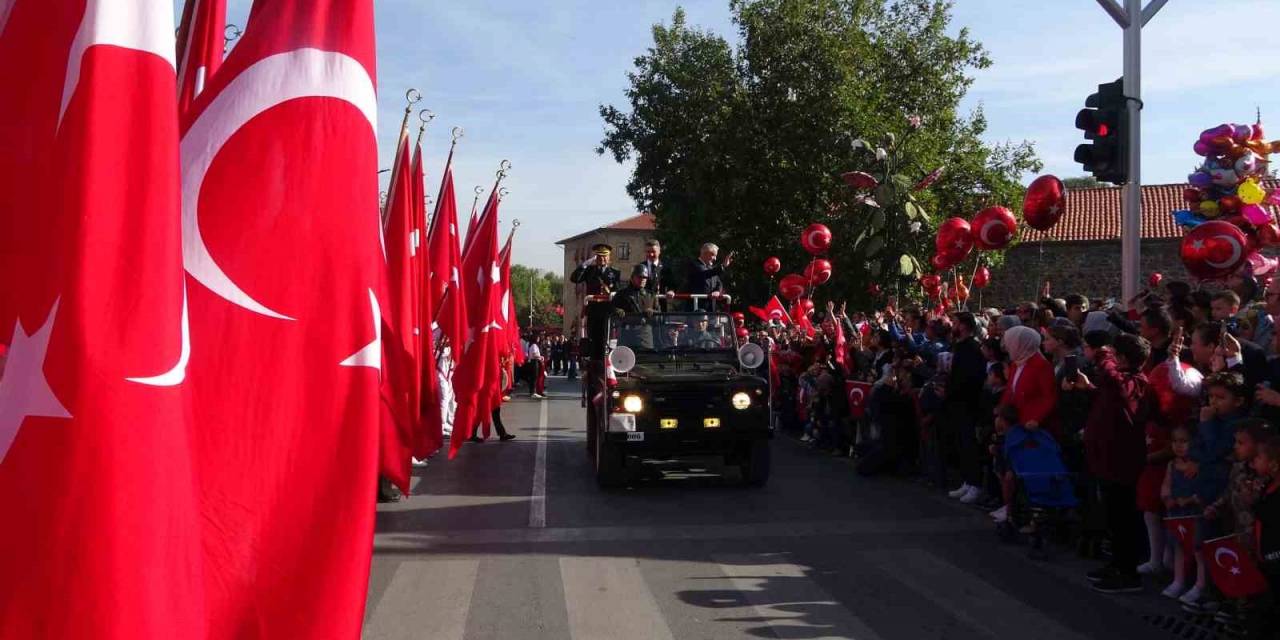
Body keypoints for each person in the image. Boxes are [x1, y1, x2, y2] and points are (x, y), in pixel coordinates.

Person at [1071, 333, 1151, 593]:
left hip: (1123, 463)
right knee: (1113, 518)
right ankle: (1116, 564)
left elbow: (1118, 387)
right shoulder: (1118, 383)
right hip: (1107, 460)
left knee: (1124, 519)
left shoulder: (1135, 382)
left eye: (1115, 356)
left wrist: (1104, 355)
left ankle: (1128, 572)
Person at [471, 353, 517, 442]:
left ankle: (502, 433)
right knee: (482, 412)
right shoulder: (485, 356)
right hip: (487, 389)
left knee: (495, 411)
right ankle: (472, 433)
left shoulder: (492, 356)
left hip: (493, 388)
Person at [613, 264, 658, 350]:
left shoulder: (651, 295)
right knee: (625, 361)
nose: (642, 280)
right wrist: (617, 310)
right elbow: (611, 308)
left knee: (646, 362)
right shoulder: (622, 294)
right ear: (632, 277)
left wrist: (652, 312)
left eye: (645, 277)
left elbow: (659, 316)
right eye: (639, 277)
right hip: (626, 334)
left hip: (645, 336)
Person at [685, 242, 734, 307]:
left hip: (710, 310)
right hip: (696, 310)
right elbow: (705, 273)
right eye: (713, 255)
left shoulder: (711, 268)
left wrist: (717, 291)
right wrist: (723, 266)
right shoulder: (694, 265)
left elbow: (719, 283)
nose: (715, 258)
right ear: (705, 253)